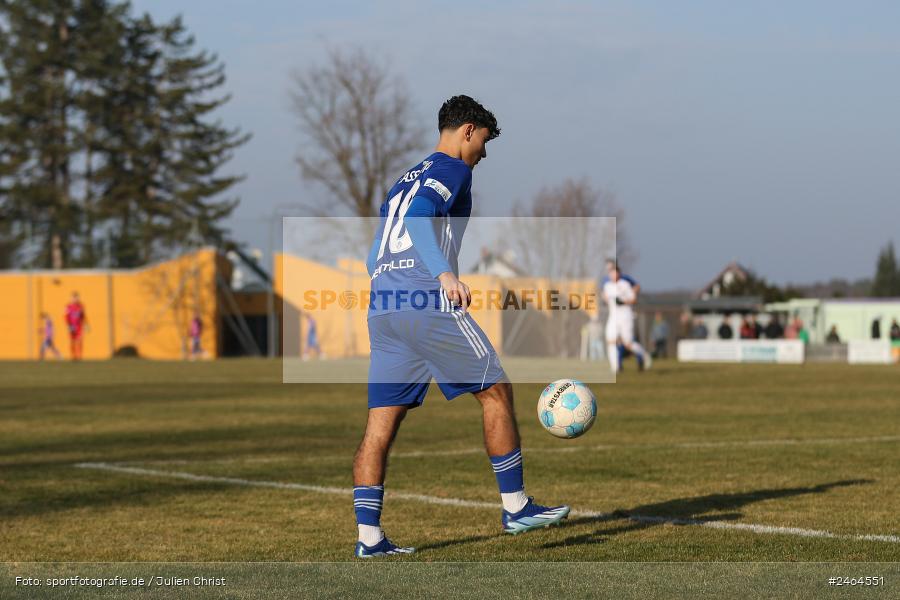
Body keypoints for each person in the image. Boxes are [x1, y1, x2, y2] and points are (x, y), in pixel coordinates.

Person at [355, 96, 569, 558]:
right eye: (484, 142)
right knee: (495, 391)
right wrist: (442, 274)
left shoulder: (401, 181)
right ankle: (516, 507)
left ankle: (369, 539)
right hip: (425, 301)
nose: (484, 154)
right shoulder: (453, 169)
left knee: (379, 427)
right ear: (467, 130)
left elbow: (374, 254)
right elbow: (418, 220)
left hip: (384, 306)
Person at [601, 260, 651, 372]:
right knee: (610, 341)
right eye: (611, 273)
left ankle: (644, 355)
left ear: (619, 273)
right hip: (613, 317)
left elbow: (633, 299)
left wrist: (623, 301)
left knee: (628, 343)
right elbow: (605, 296)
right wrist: (605, 299)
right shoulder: (607, 285)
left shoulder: (625, 284)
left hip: (625, 316)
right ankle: (615, 368)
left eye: (614, 272)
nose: (612, 275)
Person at [64, 292, 88, 360]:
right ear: (71, 298)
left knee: (80, 341)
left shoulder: (81, 306)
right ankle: (73, 356)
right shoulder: (68, 306)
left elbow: (83, 316)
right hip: (72, 326)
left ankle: (80, 356)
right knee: (72, 341)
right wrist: (68, 325)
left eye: (76, 298)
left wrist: (86, 325)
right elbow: (66, 317)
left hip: (79, 326)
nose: (75, 299)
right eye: (73, 298)